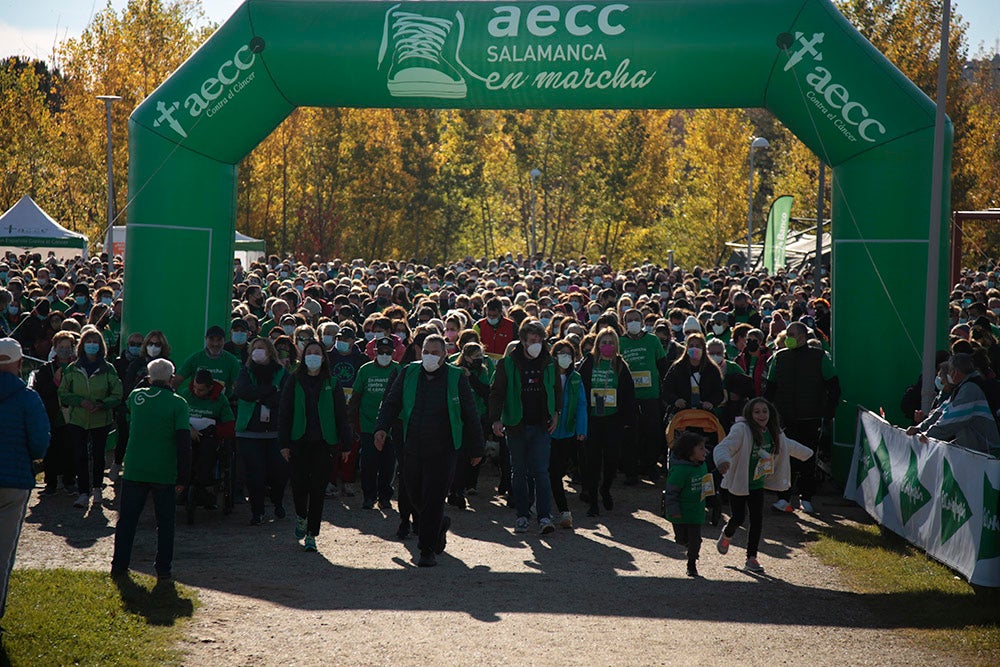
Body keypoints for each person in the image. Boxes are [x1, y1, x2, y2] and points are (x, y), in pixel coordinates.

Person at [374, 334, 484, 567]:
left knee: (434, 498)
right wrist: (381, 427)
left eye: (435, 352)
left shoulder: (456, 377)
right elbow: (392, 402)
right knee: (414, 495)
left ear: (445, 354)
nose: (430, 356)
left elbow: (470, 414)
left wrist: (476, 448)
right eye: (426, 350)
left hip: (444, 449)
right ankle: (439, 524)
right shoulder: (408, 372)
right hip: (412, 445)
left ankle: (426, 549)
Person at [110, 358, 191, 581]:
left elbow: (128, 400)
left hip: (135, 468)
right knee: (165, 523)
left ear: (148, 378)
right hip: (164, 471)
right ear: (172, 379)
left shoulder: (138, 397)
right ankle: (163, 568)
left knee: (127, 520)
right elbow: (184, 442)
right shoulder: (179, 404)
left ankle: (119, 565)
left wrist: (144, 381)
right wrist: (184, 475)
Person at [713, 398, 813, 573]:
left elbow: (788, 446)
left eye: (764, 411)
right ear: (749, 414)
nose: (761, 415)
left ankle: (751, 558)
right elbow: (725, 447)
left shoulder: (775, 432)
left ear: (770, 413)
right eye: (757, 412)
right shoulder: (741, 431)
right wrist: (722, 461)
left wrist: (808, 454)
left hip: (757, 483)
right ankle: (727, 533)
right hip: (740, 482)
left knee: (757, 520)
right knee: (738, 518)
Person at [488, 318, 561, 535]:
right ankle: (521, 515)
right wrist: (496, 419)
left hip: (541, 425)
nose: (536, 343)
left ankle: (544, 516)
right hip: (515, 424)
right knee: (518, 472)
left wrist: (556, 413)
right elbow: (497, 393)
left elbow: (557, 389)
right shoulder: (507, 363)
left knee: (541, 472)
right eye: (532, 339)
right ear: (523, 340)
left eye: (539, 339)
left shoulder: (549, 363)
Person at [278, 341, 352, 552]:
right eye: (309, 352)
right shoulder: (294, 380)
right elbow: (285, 413)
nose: (312, 356)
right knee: (299, 486)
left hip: (324, 443)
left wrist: (346, 444)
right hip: (298, 442)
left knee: (318, 490)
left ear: (323, 357)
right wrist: (283, 443)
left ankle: (312, 533)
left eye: (316, 353)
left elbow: (341, 415)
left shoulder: (333, 382)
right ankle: (301, 516)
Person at [765, 321, 840, 514]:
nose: (788, 336)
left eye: (792, 333)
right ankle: (783, 498)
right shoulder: (779, 357)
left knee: (808, 457)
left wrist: (829, 411)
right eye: (787, 333)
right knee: (784, 458)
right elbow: (770, 388)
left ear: (803, 336)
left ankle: (806, 498)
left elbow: (834, 386)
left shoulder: (820, 357)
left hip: (811, 417)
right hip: (785, 417)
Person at [0, 338, 49, 626]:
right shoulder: (28, 398)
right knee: (4, 550)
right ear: (19, 364)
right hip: (15, 480)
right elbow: (40, 444)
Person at [58, 325, 123, 509]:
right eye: (88, 342)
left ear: (100, 346)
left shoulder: (108, 369)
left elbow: (117, 394)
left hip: (100, 419)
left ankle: (97, 489)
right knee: (79, 455)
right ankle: (83, 492)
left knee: (98, 455)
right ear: (82, 345)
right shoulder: (72, 368)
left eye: (95, 342)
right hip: (78, 418)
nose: (92, 345)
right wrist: (79, 401)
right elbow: (63, 392)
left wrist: (102, 404)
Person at [577, 327, 637, 517]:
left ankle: (606, 488)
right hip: (592, 420)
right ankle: (593, 501)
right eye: (604, 342)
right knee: (592, 462)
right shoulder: (588, 363)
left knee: (611, 460)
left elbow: (629, 394)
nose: (607, 346)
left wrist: (628, 419)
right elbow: (579, 390)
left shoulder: (620, 364)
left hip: (613, 420)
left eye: (611, 343)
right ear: (597, 344)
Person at [234, 337, 288, 524]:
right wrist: (271, 390)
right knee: (254, 475)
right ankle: (257, 511)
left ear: (270, 352)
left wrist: (260, 396)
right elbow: (243, 392)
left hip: (276, 433)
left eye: (261, 348)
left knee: (278, 473)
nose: (257, 351)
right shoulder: (245, 372)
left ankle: (277, 502)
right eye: (254, 348)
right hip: (249, 432)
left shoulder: (282, 372)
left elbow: (284, 398)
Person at [906, 352, 1000, 456]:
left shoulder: (970, 388)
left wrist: (927, 435)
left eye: (950, 371)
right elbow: (941, 411)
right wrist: (920, 428)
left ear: (955, 372)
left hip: (986, 452)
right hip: (979, 451)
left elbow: (951, 419)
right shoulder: (963, 387)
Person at [348, 336, 399, 510]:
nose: (384, 355)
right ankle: (369, 496)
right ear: (375, 352)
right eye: (381, 352)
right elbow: (355, 398)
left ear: (393, 353)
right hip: (369, 424)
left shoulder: (399, 370)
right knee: (369, 464)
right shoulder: (365, 370)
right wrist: (351, 422)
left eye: (388, 352)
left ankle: (385, 497)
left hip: (392, 427)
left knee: (388, 464)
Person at [618, 308, 669, 483]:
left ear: (642, 322)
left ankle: (651, 466)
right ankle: (632, 471)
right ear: (624, 324)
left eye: (636, 319)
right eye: (629, 320)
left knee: (652, 433)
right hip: (629, 397)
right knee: (631, 434)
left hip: (651, 395)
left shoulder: (653, 340)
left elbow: (663, 367)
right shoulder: (620, 343)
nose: (632, 323)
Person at [178, 369, 236, 510]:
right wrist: (188, 428)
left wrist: (214, 430)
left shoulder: (221, 400)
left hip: (209, 438)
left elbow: (230, 426)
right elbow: (175, 417)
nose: (197, 392)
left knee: (208, 450)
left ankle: (203, 484)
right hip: (187, 434)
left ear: (210, 388)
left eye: (201, 390)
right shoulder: (186, 395)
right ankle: (182, 484)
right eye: (195, 388)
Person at [31, 330, 77, 495]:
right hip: (52, 415)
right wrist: (55, 382)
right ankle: (50, 483)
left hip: (72, 415)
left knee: (70, 449)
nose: (65, 350)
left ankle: (69, 480)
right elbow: (41, 391)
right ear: (55, 348)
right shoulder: (46, 369)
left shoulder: (77, 368)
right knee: (52, 450)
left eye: (68, 346)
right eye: (61, 346)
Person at [548, 339, 587, 529]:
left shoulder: (576, 378)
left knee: (557, 471)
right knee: (551, 473)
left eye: (568, 354)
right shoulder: (547, 375)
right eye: (561, 353)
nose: (565, 357)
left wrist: (581, 429)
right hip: (547, 431)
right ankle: (563, 510)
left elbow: (581, 405)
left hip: (567, 432)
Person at [663, 432, 710, 578]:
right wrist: (673, 511)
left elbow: (707, 485)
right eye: (701, 448)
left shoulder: (703, 466)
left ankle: (692, 563)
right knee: (681, 539)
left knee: (695, 540)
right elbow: (671, 493)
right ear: (690, 452)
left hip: (696, 511)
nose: (705, 451)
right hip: (681, 512)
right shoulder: (679, 471)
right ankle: (688, 545)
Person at [175, 325, 242, 398]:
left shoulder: (231, 360)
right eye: (211, 339)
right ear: (205, 339)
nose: (215, 344)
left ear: (225, 340)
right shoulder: (196, 358)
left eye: (219, 340)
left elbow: (238, 385)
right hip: (196, 404)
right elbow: (178, 379)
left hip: (220, 404)